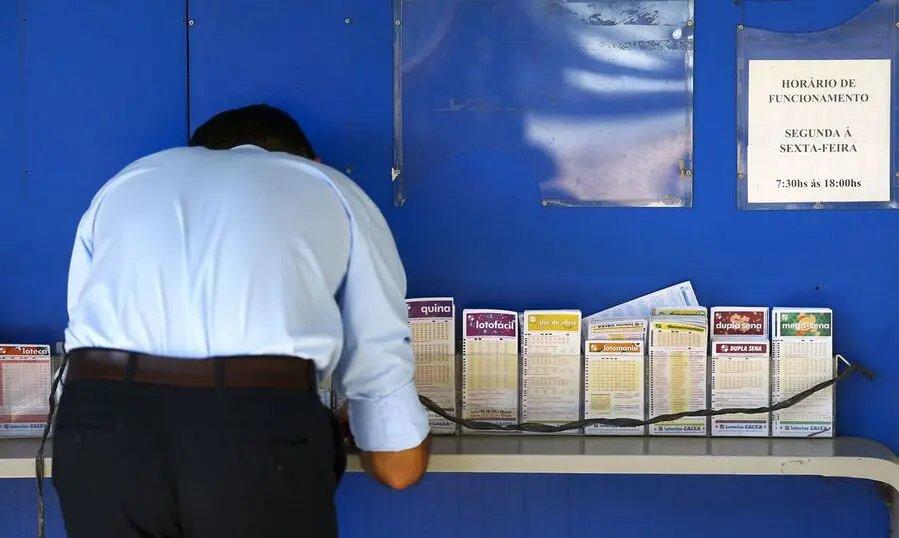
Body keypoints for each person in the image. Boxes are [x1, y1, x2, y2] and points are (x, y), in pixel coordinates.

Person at [51, 104, 431, 538]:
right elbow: (395, 449)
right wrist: (388, 442)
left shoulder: (127, 183)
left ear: (195, 156)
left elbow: (81, 337)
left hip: (98, 434)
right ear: (309, 162)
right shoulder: (328, 186)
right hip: (253, 436)